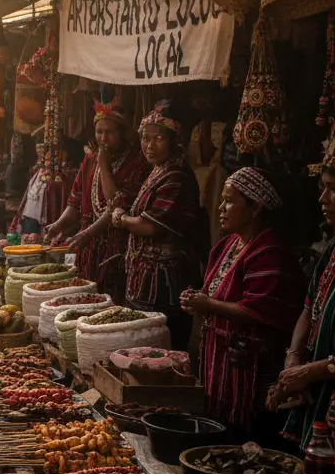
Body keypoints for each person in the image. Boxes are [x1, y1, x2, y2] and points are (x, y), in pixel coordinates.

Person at [178, 168, 301, 433]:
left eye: (229, 201)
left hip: (251, 368)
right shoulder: (227, 245)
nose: (220, 208)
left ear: (255, 208)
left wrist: (208, 304)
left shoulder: (269, 252)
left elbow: (259, 308)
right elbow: (213, 291)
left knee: (248, 433)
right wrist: (195, 299)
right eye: (222, 200)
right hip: (219, 363)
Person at [272, 131, 335, 447]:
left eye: (334, 189)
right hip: (317, 392)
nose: (323, 199)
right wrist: (294, 359)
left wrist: (312, 372)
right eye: (322, 188)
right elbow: (309, 307)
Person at [110, 102, 205, 349]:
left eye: (158, 139)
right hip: (146, 277)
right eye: (145, 138)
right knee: (142, 342)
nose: (149, 145)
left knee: (163, 343)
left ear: (174, 142)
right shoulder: (159, 170)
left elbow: (149, 225)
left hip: (165, 281)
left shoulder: (176, 176)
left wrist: (121, 219)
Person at [45, 99, 151, 302]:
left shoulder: (137, 163)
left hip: (117, 248)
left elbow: (116, 206)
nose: (103, 138)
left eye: (109, 132)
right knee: (88, 300)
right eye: (99, 132)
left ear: (122, 133)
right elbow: (75, 202)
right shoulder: (89, 160)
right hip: (89, 247)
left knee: (112, 302)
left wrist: (103, 164)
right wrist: (58, 225)